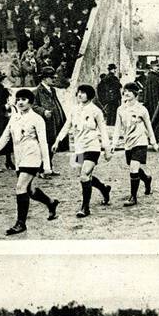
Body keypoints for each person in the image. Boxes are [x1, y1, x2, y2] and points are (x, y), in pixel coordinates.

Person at [0, 87, 58, 236]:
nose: (20, 102)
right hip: (20, 157)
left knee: (20, 187)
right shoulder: (15, 118)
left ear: (30, 102)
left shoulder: (37, 119)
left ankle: (20, 224)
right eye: (18, 99)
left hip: (32, 155)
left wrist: (47, 165)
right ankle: (50, 202)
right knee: (29, 190)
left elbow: (43, 142)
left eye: (24, 99)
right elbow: (5, 137)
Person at [52, 84, 112, 220]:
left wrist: (107, 149)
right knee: (81, 174)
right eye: (78, 92)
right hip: (78, 148)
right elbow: (67, 126)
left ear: (89, 95)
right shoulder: (74, 110)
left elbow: (103, 130)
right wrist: (57, 141)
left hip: (92, 146)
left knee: (85, 175)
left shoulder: (96, 111)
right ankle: (103, 188)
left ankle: (85, 207)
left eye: (83, 93)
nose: (80, 95)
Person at [111, 83, 157, 205]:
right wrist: (114, 143)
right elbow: (117, 127)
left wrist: (153, 141)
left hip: (140, 141)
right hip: (128, 142)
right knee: (132, 166)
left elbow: (149, 126)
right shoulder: (120, 109)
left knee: (133, 167)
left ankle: (133, 197)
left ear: (136, 94)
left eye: (129, 91)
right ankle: (146, 179)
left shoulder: (142, 110)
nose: (126, 93)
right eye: (125, 91)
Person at [33, 65, 67, 172]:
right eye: (51, 78)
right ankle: (42, 168)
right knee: (45, 145)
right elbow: (33, 106)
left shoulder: (52, 90)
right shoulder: (37, 91)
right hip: (45, 122)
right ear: (44, 78)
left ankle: (49, 167)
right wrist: (43, 111)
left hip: (54, 121)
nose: (54, 79)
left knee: (53, 144)